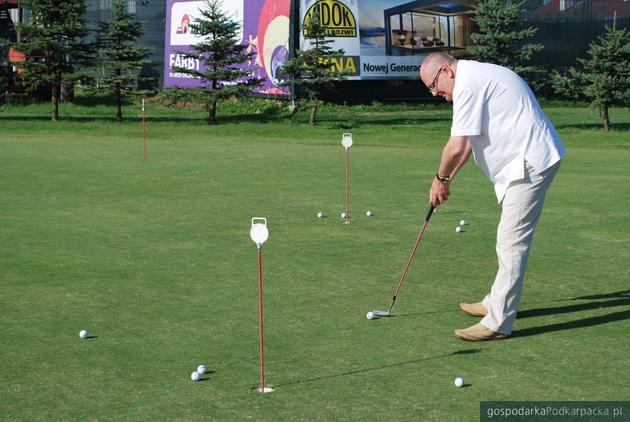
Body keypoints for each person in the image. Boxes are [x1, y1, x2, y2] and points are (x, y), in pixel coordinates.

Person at [419, 52, 566, 341]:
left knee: (511, 240)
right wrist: (446, 180)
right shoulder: (472, 77)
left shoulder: (468, 84)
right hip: (525, 159)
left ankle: (499, 322)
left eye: (434, 85)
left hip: (530, 161)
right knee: (508, 237)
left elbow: (455, 145)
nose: (435, 93)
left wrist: (438, 179)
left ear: (447, 71)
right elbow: (468, 144)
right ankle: (494, 303)